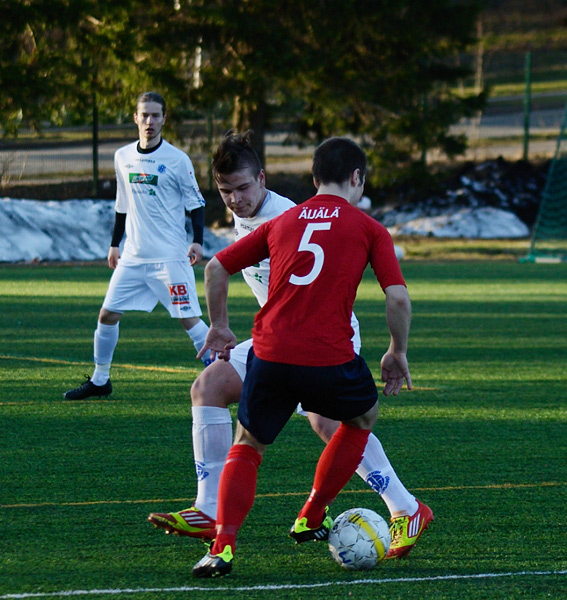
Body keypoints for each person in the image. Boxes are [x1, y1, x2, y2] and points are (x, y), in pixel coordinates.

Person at [147, 131, 433, 563]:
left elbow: (222, 268)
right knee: (210, 386)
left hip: (319, 334)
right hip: (282, 336)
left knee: (325, 424)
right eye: (226, 192)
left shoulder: (285, 216)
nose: (236, 200)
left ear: (263, 179)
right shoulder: (270, 216)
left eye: (243, 188)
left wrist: (223, 325)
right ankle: (210, 509)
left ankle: (403, 505)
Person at [64, 91, 211, 400]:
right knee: (107, 314)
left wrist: (197, 240)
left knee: (189, 320)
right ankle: (101, 379)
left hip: (170, 257)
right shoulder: (123, 156)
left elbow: (196, 203)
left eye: (156, 115)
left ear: (164, 119)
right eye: (144, 115)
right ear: (135, 118)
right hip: (133, 256)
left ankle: (225, 375)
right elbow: (122, 204)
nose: (149, 121)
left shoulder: (177, 159)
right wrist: (114, 244)